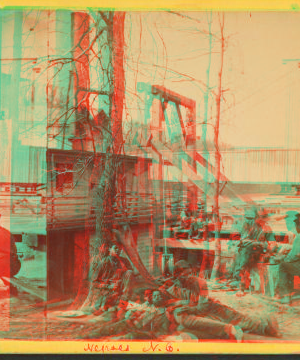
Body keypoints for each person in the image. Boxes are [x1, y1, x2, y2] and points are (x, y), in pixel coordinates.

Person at [160, 260, 279, 340]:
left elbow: (204, 306)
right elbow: (168, 296)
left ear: (190, 272)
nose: (181, 277)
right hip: (199, 314)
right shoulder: (175, 285)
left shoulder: (200, 283)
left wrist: (189, 308)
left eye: (184, 273)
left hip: (212, 309)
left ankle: (265, 328)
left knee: (238, 319)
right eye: (178, 274)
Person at [275, 212, 300, 303]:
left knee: (283, 266)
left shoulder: (298, 237)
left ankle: (285, 295)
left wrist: (282, 258)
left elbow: (295, 255)